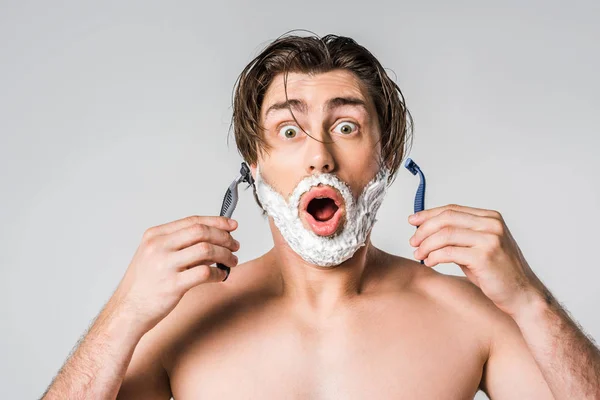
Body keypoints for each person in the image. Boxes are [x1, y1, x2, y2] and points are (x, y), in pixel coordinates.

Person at [42, 32, 600, 399]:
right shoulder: (180, 322)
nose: (319, 154)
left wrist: (530, 300)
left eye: (346, 126)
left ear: (387, 158)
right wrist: (122, 314)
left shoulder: (467, 317)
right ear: (254, 165)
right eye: (289, 130)